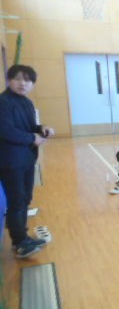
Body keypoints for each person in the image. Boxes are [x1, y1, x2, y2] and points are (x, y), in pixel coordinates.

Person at [0, 64, 55, 257]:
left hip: (26, 158)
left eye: (27, 80)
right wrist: (32, 138)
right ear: (9, 80)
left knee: (24, 199)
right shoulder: (4, 102)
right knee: (16, 201)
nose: (22, 83)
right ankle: (19, 243)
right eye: (17, 78)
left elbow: (30, 126)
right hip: (10, 161)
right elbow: (6, 131)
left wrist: (42, 128)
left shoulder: (26, 102)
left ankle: (22, 237)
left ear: (32, 83)